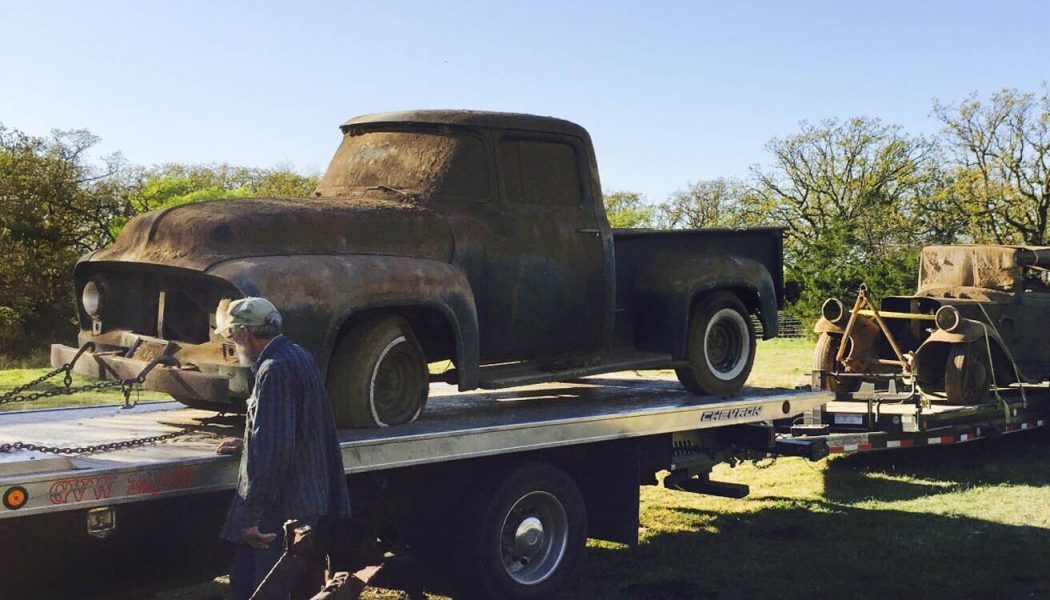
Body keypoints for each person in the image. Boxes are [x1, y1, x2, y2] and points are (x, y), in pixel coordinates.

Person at [214, 297, 352, 600]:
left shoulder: (272, 370)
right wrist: (249, 442)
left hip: (279, 513)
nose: (232, 343)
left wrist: (251, 519)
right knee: (300, 589)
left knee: (252, 588)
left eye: (231, 336)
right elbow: (298, 428)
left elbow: (274, 453)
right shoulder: (298, 355)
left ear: (243, 333)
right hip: (305, 505)